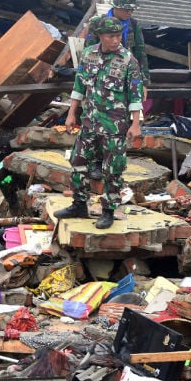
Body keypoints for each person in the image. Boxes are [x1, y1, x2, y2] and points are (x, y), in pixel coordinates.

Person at [54, 16, 144, 230]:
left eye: (118, 35)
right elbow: (79, 86)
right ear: (100, 36)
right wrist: (71, 113)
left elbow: (135, 96)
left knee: (113, 169)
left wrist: (135, 124)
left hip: (115, 126)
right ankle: (78, 204)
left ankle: (108, 211)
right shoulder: (89, 55)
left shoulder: (128, 61)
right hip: (89, 122)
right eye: (111, 36)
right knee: (78, 162)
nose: (116, 40)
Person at [83, 0, 150, 98]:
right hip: (101, 75)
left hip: (125, 74)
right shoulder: (98, 22)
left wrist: (144, 82)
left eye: (132, 10)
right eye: (126, 9)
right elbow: (89, 52)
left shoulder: (133, 25)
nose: (130, 12)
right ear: (116, 7)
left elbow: (140, 53)